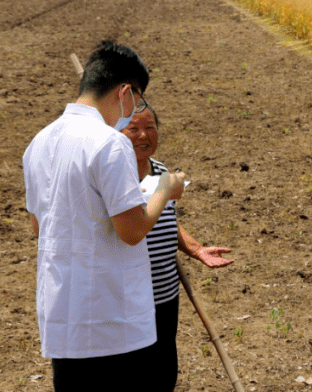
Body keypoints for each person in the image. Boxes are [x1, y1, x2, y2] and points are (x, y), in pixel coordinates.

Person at [23, 40, 186, 391]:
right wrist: (166, 188)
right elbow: (132, 229)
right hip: (113, 325)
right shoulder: (110, 144)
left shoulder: (39, 142)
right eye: (137, 98)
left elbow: (39, 226)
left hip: (65, 322)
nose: (135, 108)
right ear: (125, 91)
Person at [122, 107, 233, 392]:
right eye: (133, 129)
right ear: (117, 132)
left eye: (150, 128)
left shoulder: (161, 172)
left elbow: (164, 219)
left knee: (163, 374)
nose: (143, 135)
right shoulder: (115, 176)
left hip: (165, 295)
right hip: (127, 299)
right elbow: (132, 225)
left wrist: (195, 249)